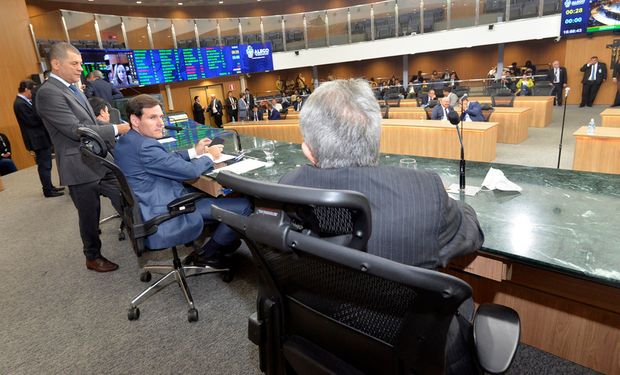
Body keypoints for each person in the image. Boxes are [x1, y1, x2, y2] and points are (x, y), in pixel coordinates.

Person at [279, 79, 484, 374]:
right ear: (376, 139)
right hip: (414, 352)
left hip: (321, 334)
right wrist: (456, 204)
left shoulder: (289, 187)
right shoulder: (424, 192)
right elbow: (471, 235)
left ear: (308, 152)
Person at [115, 94, 251, 268]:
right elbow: (190, 171)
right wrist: (210, 155)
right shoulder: (145, 146)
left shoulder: (127, 141)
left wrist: (194, 152)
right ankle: (207, 254)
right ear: (135, 120)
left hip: (146, 206)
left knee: (214, 198)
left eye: (161, 117)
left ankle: (223, 239)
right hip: (166, 211)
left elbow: (165, 158)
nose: (160, 123)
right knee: (243, 206)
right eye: (152, 117)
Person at [35, 42, 130, 273]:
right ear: (56, 64)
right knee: (89, 215)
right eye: (75, 63)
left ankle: (140, 235)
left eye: (80, 63)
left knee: (125, 197)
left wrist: (112, 127)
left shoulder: (74, 88)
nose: (80, 68)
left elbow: (90, 122)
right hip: (78, 165)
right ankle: (93, 257)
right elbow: (76, 129)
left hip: (99, 159)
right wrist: (116, 130)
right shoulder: (48, 93)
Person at [13, 80, 63, 197]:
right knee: (44, 165)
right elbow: (32, 121)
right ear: (26, 89)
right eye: (33, 91)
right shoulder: (20, 104)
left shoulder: (25, 102)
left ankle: (49, 187)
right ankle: (47, 190)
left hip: (40, 138)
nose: (34, 93)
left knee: (47, 164)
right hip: (37, 140)